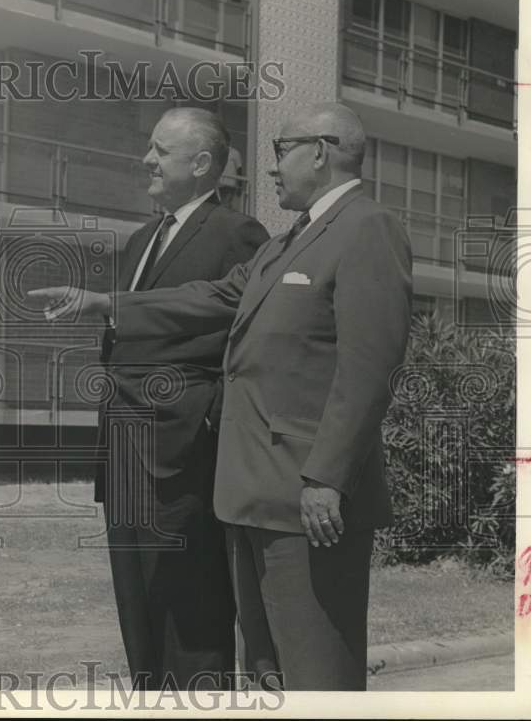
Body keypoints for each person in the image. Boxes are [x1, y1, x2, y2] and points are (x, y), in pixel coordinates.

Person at [32, 102, 412, 690]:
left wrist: (328, 478)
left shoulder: (367, 227)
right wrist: (107, 304)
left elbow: (370, 368)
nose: (269, 168)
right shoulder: (290, 241)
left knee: (317, 676)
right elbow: (212, 296)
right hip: (255, 494)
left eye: (282, 151)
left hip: (307, 497)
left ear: (321, 150)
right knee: (266, 672)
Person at [96, 108, 268, 690]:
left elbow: (244, 342)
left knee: (192, 616)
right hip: (123, 454)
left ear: (200, 165)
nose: (146, 160)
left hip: (184, 456)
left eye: (159, 150)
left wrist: (205, 418)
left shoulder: (238, 234)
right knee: (137, 610)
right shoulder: (142, 238)